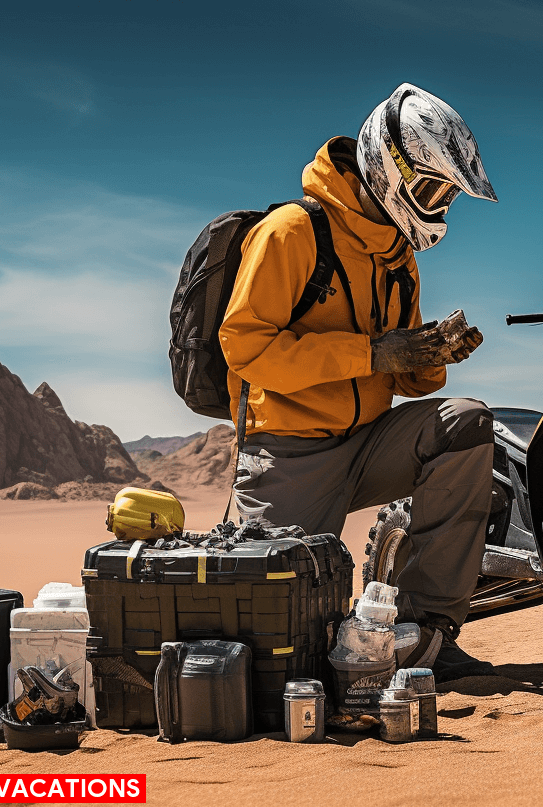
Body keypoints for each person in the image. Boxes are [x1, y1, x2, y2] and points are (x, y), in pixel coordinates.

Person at [219, 83, 499, 682]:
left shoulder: (399, 255)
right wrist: (373, 353)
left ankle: (427, 633)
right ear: (387, 167)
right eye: (431, 187)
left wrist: (429, 357)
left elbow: (403, 375)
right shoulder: (291, 233)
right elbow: (243, 347)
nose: (437, 203)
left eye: (446, 193)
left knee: (466, 423)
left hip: (369, 442)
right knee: (268, 640)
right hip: (289, 455)